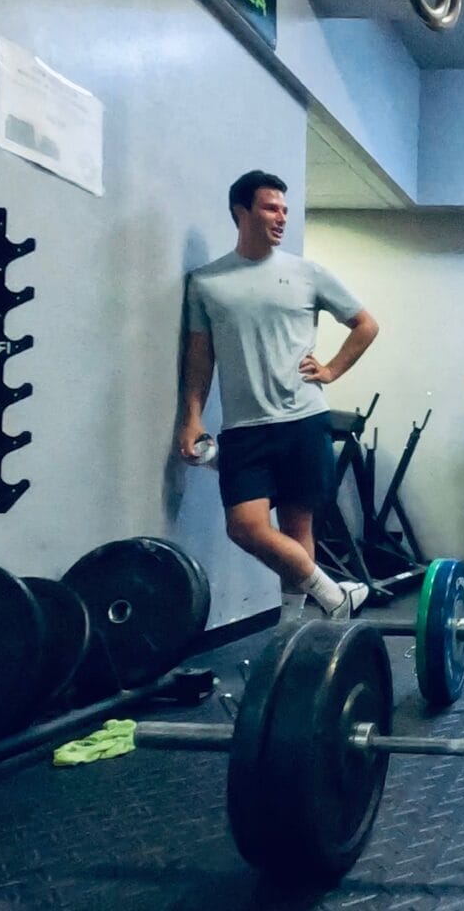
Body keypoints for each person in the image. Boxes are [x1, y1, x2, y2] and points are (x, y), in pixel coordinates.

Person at [177, 170, 380, 620]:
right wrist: (192, 416)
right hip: (244, 428)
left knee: (296, 526)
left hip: (303, 419)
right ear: (241, 212)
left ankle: (291, 627)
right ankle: (335, 596)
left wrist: (331, 369)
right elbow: (199, 358)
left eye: (285, 209)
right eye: (271, 208)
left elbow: (366, 325)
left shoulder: (307, 273)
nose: (282, 217)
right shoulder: (207, 282)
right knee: (244, 527)